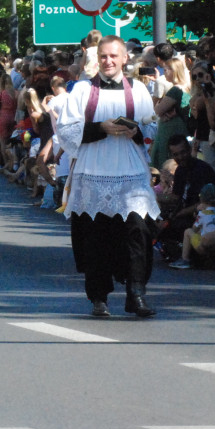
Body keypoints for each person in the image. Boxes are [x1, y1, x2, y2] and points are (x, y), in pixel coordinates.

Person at [57, 35, 161, 318]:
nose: (109, 61)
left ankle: (136, 292)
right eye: (103, 56)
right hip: (93, 170)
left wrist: (135, 131)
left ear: (125, 58)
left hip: (130, 170)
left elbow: (151, 129)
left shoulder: (137, 90)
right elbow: (65, 131)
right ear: (97, 58)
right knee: (95, 237)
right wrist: (100, 127)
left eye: (114, 56)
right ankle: (99, 297)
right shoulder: (81, 90)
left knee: (138, 231)